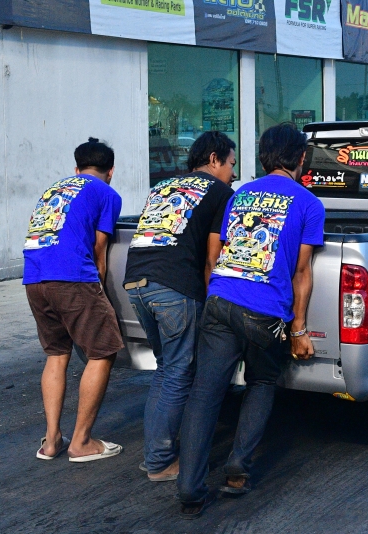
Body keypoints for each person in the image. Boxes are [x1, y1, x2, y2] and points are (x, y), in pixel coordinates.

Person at [177, 123, 326, 519]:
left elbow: (222, 250)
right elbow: (302, 272)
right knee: (261, 381)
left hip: (220, 300)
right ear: (301, 158)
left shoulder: (240, 194)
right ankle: (237, 469)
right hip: (264, 313)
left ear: (263, 157)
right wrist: (299, 329)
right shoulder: (309, 203)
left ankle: (190, 489)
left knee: (205, 394)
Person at [123, 132, 236, 482]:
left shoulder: (163, 186)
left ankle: (155, 455)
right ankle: (159, 462)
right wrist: (215, 305)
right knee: (177, 373)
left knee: (166, 370)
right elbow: (213, 257)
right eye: (231, 164)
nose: (233, 173)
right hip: (174, 287)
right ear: (214, 159)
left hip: (136, 284)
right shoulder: (220, 193)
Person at [25, 138, 124, 462]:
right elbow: (99, 248)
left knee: (56, 354)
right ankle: (81, 442)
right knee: (103, 350)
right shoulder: (106, 193)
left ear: (76, 168)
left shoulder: (53, 189)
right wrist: (101, 295)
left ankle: (52, 440)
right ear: (110, 171)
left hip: (34, 278)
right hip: (71, 277)